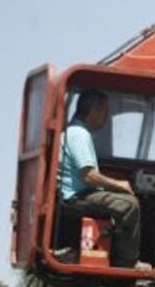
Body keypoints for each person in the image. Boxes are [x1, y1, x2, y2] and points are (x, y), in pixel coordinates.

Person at [58, 89, 143, 269]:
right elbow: (88, 176)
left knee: (120, 202)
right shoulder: (79, 134)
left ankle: (112, 253)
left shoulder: (74, 132)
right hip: (76, 197)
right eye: (105, 111)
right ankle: (126, 263)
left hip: (79, 194)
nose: (107, 116)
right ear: (94, 110)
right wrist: (119, 185)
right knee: (129, 205)